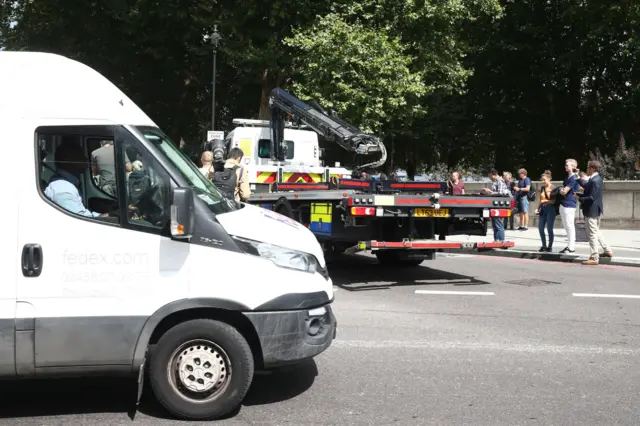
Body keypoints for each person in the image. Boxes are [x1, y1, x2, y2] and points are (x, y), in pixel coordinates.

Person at [45, 142, 106, 218]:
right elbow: (82, 219)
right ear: (67, 160)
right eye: (80, 157)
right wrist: (110, 216)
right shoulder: (63, 189)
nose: (86, 159)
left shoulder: (68, 184)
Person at [578, 160, 613, 265]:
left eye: (588, 168)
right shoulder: (595, 179)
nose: (587, 170)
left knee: (592, 234)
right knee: (596, 231)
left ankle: (594, 257)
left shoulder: (594, 180)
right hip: (595, 209)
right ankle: (607, 251)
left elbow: (591, 197)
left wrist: (580, 198)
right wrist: (580, 194)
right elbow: (588, 189)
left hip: (591, 210)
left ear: (593, 168)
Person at [481, 169, 511, 242]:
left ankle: (501, 240)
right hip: (495, 204)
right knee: (495, 224)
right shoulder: (495, 182)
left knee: (498, 223)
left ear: (494, 174)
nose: (489, 178)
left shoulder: (500, 182)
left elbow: (500, 194)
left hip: (499, 205)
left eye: (490, 176)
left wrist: (490, 191)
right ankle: (496, 240)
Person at [558, 158, 580, 254]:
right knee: (566, 227)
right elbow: (562, 190)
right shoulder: (567, 177)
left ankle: (571, 247)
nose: (565, 166)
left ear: (573, 167)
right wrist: (561, 190)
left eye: (567, 165)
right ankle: (568, 246)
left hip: (569, 204)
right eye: (565, 165)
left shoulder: (573, 178)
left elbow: (564, 191)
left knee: (570, 226)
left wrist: (560, 190)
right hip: (563, 204)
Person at [536, 170, 556, 252]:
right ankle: (543, 245)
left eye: (544, 180)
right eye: (542, 180)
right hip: (543, 209)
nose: (543, 181)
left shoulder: (553, 188)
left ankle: (550, 246)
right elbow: (540, 200)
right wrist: (537, 208)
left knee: (549, 229)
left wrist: (545, 201)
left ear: (549, 179)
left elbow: (554, 201)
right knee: (540, 228)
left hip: (551, 209)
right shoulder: (542, 188)